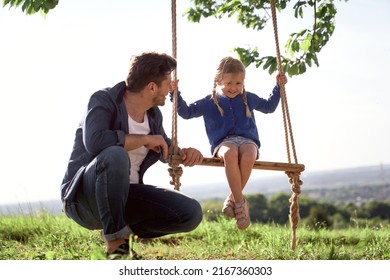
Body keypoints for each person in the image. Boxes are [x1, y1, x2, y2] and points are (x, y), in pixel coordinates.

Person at [60, 52, 204, 256]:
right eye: (168, 83)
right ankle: (117, 245)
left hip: (126, 198)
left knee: (190, 213)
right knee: (115, 155)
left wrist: (184, 152)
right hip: (84, 201)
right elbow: (95, 142)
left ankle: (120, 230)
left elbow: (163, 147)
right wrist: (144, 140)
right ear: (152, 87)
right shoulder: (103, 100)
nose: (171, 88)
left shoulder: (153, 115)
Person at [170, 56, 287, 230]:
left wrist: (279, 87)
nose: (234, 88)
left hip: (249, 141)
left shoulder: (249, 98)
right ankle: (240, 204)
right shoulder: (209, 102)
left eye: (238, 83)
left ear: (243, 82)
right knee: (229, 153)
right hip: (223, 143)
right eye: (229, 83)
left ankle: (232, 198)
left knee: (248, 156)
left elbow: (269, 107)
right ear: (217, 81)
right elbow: (186, 112)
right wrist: (175, 93)